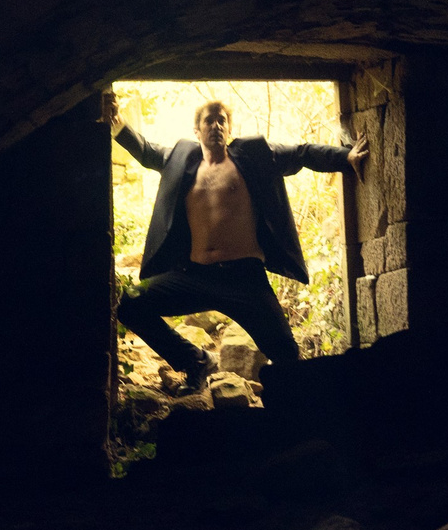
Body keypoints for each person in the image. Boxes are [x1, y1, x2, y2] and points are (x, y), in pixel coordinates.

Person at [106, 91, 368, 393]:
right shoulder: (181, 161)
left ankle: (291, 406)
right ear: (197, 130)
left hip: (244, 280)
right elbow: (146, 151)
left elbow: (301, 153)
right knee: (131, 303)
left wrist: (345, 157)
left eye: (222, 120)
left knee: (285, 350)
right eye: (209, 121)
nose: (216, 125)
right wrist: (117, 122)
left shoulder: (253, 158)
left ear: (230, 129)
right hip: (194, 276)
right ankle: (195, 361)